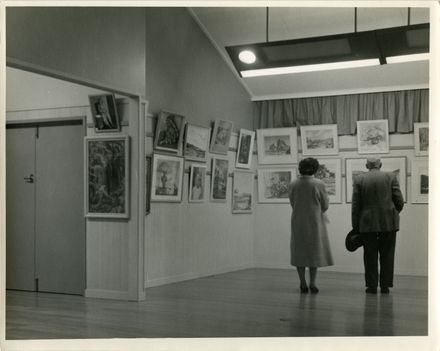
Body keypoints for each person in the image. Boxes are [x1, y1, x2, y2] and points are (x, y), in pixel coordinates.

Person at [351, 157, 404, 294]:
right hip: (388, 222)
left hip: (367, 223)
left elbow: (356, 205)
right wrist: (392, 212)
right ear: (380, 165)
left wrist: (355, 225)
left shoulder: (359, 179)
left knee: (370, 255)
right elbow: (399, 200)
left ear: (366, 165)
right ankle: (385, 286)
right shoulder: (391, 176)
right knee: (387, 254)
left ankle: (372, 286)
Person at [288, 157, 334, 294]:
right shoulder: (319, 183)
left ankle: (302, 283)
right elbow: (325, 205)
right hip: (315, 222)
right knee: (314, 251)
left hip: (298, 221)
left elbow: (292, 203)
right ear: (315, 168)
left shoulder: (293, 184)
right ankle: (313, 283)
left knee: (299, 252)